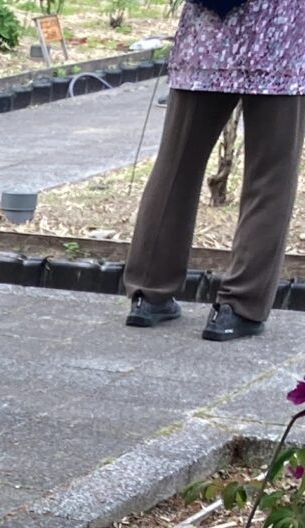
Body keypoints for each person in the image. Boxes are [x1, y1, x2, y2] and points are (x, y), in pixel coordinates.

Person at [123, 0, 305, 341]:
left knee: (176, 168)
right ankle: (238, 308)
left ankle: (149, 295)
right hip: (283, 44)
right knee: (270, 179)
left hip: (206, 45)